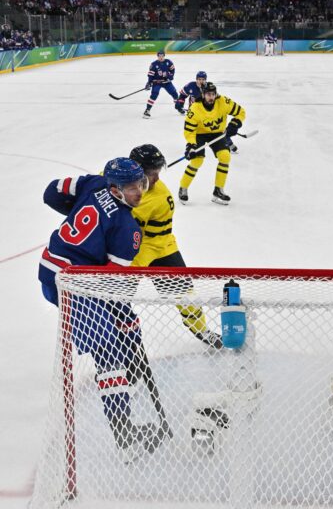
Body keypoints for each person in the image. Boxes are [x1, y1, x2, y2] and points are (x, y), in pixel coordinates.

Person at [38, 158, 165, 461]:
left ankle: (123, 370)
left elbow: (51, 192)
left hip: (49, 269)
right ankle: (123, 431)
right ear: (116, 188)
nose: (140, 192)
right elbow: (112, 287)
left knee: (115, 333)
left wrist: (83, 213)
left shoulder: (92, 183)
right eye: (133, 187)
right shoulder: (128, 229)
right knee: (109, 352)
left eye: (142, 184)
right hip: (72, 287)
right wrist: (126, 322)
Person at [129, 144, 222, 348]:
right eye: (151, 173)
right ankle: (116, 338)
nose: (156, 178)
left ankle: (201, 329)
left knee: (185, 295)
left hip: (158, 246)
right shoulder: (118, 179)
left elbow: (131, 232)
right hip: (133, 245)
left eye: (157, 172)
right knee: (114, 295)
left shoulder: (160, 198)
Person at [181, 81, 246, 205]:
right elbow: (189, 131)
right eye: (208, 94)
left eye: (213, 94)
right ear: (203, 94)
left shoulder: (223, 102)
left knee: (225, 157)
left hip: (217, 133)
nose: (211, 97)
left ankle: (218, 190)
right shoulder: (194, 108)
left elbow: (241, 112)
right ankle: (183, 188)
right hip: (199, 134)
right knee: (197, 160)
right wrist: (191, 145)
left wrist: (235, 123)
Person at [144, 50, 179, 119]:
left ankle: (179, 107)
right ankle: (147, 110)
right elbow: (151, 75)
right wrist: (149, 82)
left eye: (162, 56)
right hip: (157, 83)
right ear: (157, 56)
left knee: (174, 94)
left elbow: (172, 71)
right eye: (159, 56)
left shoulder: (168, 62)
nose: (161, 57)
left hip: (166, 82)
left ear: (164, 56)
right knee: (154, 94)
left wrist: (169, 77)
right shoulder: (153, 64)